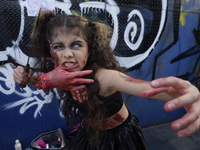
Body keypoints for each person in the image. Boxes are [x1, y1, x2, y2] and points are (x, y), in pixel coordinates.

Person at [13, 10, 200, 150]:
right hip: (91, 131)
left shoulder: (104, 77)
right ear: (50, 51)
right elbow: (37, 81)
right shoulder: (58, 74)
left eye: (76, 45)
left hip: (120, 137)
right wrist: (23, 76)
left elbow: (149, 89)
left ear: (90, 48)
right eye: (59, 46)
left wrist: (189, 93)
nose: (67, 54)